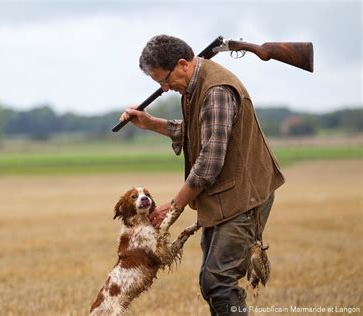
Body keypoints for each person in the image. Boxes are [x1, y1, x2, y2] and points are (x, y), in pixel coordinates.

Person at [119, 34, 285, 316]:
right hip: (227, 196)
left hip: (243, 197)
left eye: (165, 80)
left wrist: (173, 207)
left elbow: (208, 163)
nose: (165, 88)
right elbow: (200, 133)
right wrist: (150, 124)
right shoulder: (196, 86)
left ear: (183, 64)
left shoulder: (215, 90)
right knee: (212, 282)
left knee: (218, 282)